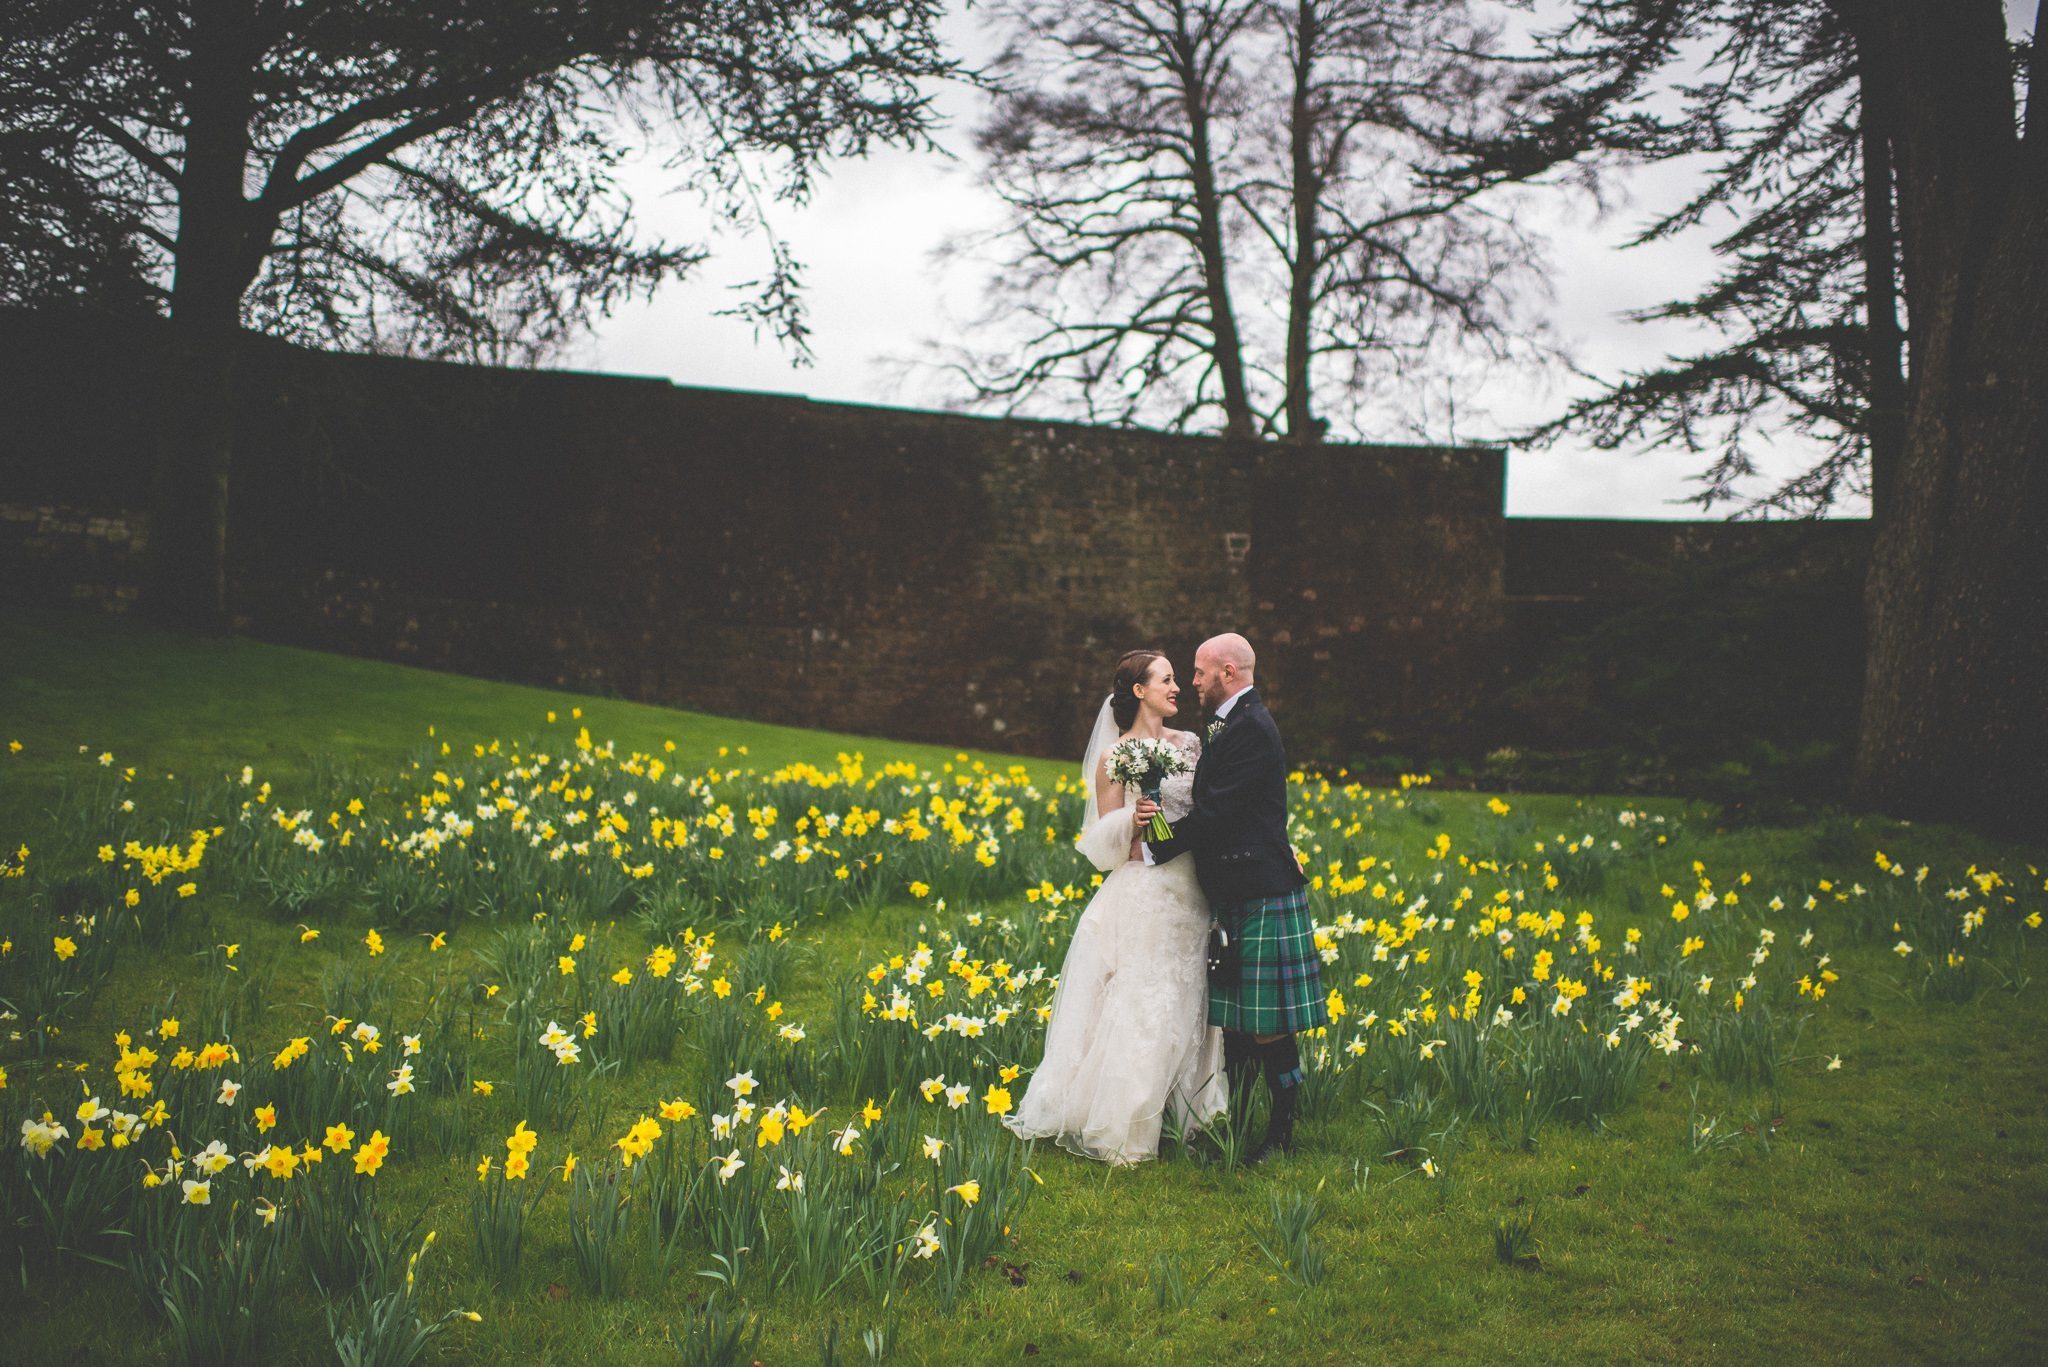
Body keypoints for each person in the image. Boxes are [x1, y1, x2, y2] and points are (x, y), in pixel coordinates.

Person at [1004, 649, 1227, 1164]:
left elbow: (1208, 811)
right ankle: (1126, 1121)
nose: (1177, 688)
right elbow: (1105, 845)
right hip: (1145, 891)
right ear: (1139, 691)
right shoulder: (1114, 757)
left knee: (1190, 992)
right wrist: (1135, 820)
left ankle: (1189, 1114)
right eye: (1166, 680)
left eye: (1176, 679)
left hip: (1193, 885)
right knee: (1145, 997)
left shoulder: (1191, 745)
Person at [1138, 632, 1324, 1161]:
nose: (1192, 682)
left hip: (1260, 887)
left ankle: (1281, 1137)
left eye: (1198, 673)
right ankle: (1237, 1130)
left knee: (1268, 1027)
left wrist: (1160, 847)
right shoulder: (1230, 724)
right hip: (1239, 888)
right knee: (1241, 1024)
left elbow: (1218, 812)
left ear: (1226, 671)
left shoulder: (1252, 728)